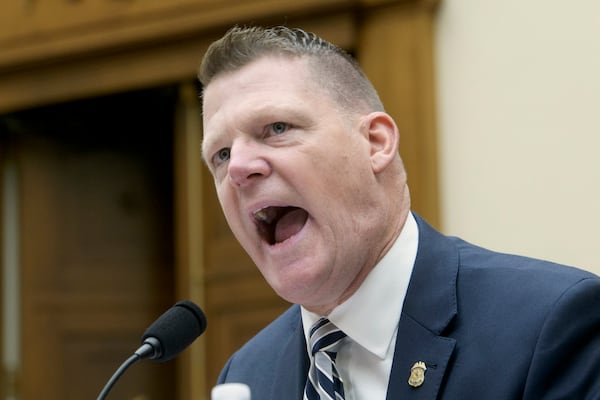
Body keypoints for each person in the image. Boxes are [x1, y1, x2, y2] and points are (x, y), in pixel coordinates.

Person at [198, 25, 600, 400]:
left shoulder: (550, 324)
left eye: (277, 128)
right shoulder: (246, 373)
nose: (238, 168)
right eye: (221, 154)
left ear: (375, 143)